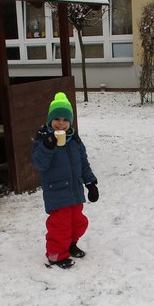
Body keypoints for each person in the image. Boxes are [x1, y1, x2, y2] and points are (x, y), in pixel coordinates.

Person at [32, 92, 99, 269]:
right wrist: (48, 146)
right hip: (56, 192)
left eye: (65, 120)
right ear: (50, 120)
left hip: (75, 191)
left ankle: (70, 244)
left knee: (79, 223)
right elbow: (39, 163)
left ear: (70, 122)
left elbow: (83, 162)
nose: (60, 123)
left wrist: (90, 183)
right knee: (60, 227)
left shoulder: (74, 139)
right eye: (56, 119)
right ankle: (56, 255)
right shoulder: (44, 138)